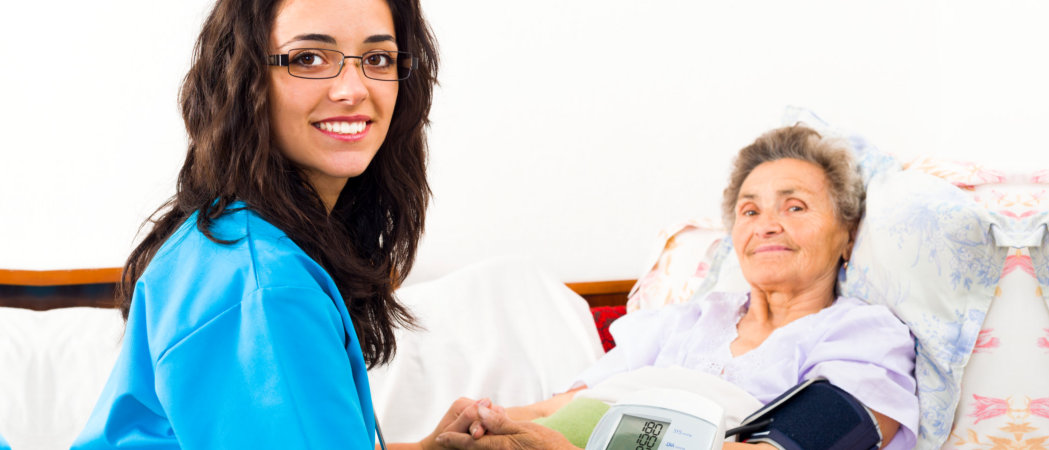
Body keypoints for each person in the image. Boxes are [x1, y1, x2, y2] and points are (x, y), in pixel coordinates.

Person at [71, 0, 448, 447]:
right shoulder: (267, 288)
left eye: (378, 59)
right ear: (242, 79)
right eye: (308, 58)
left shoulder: (230, 237)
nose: (353, 88)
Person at [434, 125, 920, 449]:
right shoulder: (687, 318)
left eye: (794, 207)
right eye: (750, 211)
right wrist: (483, 422)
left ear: (848, 236)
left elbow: (802, 442)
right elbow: (559, 407)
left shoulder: (864, 335)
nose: (766, 224)